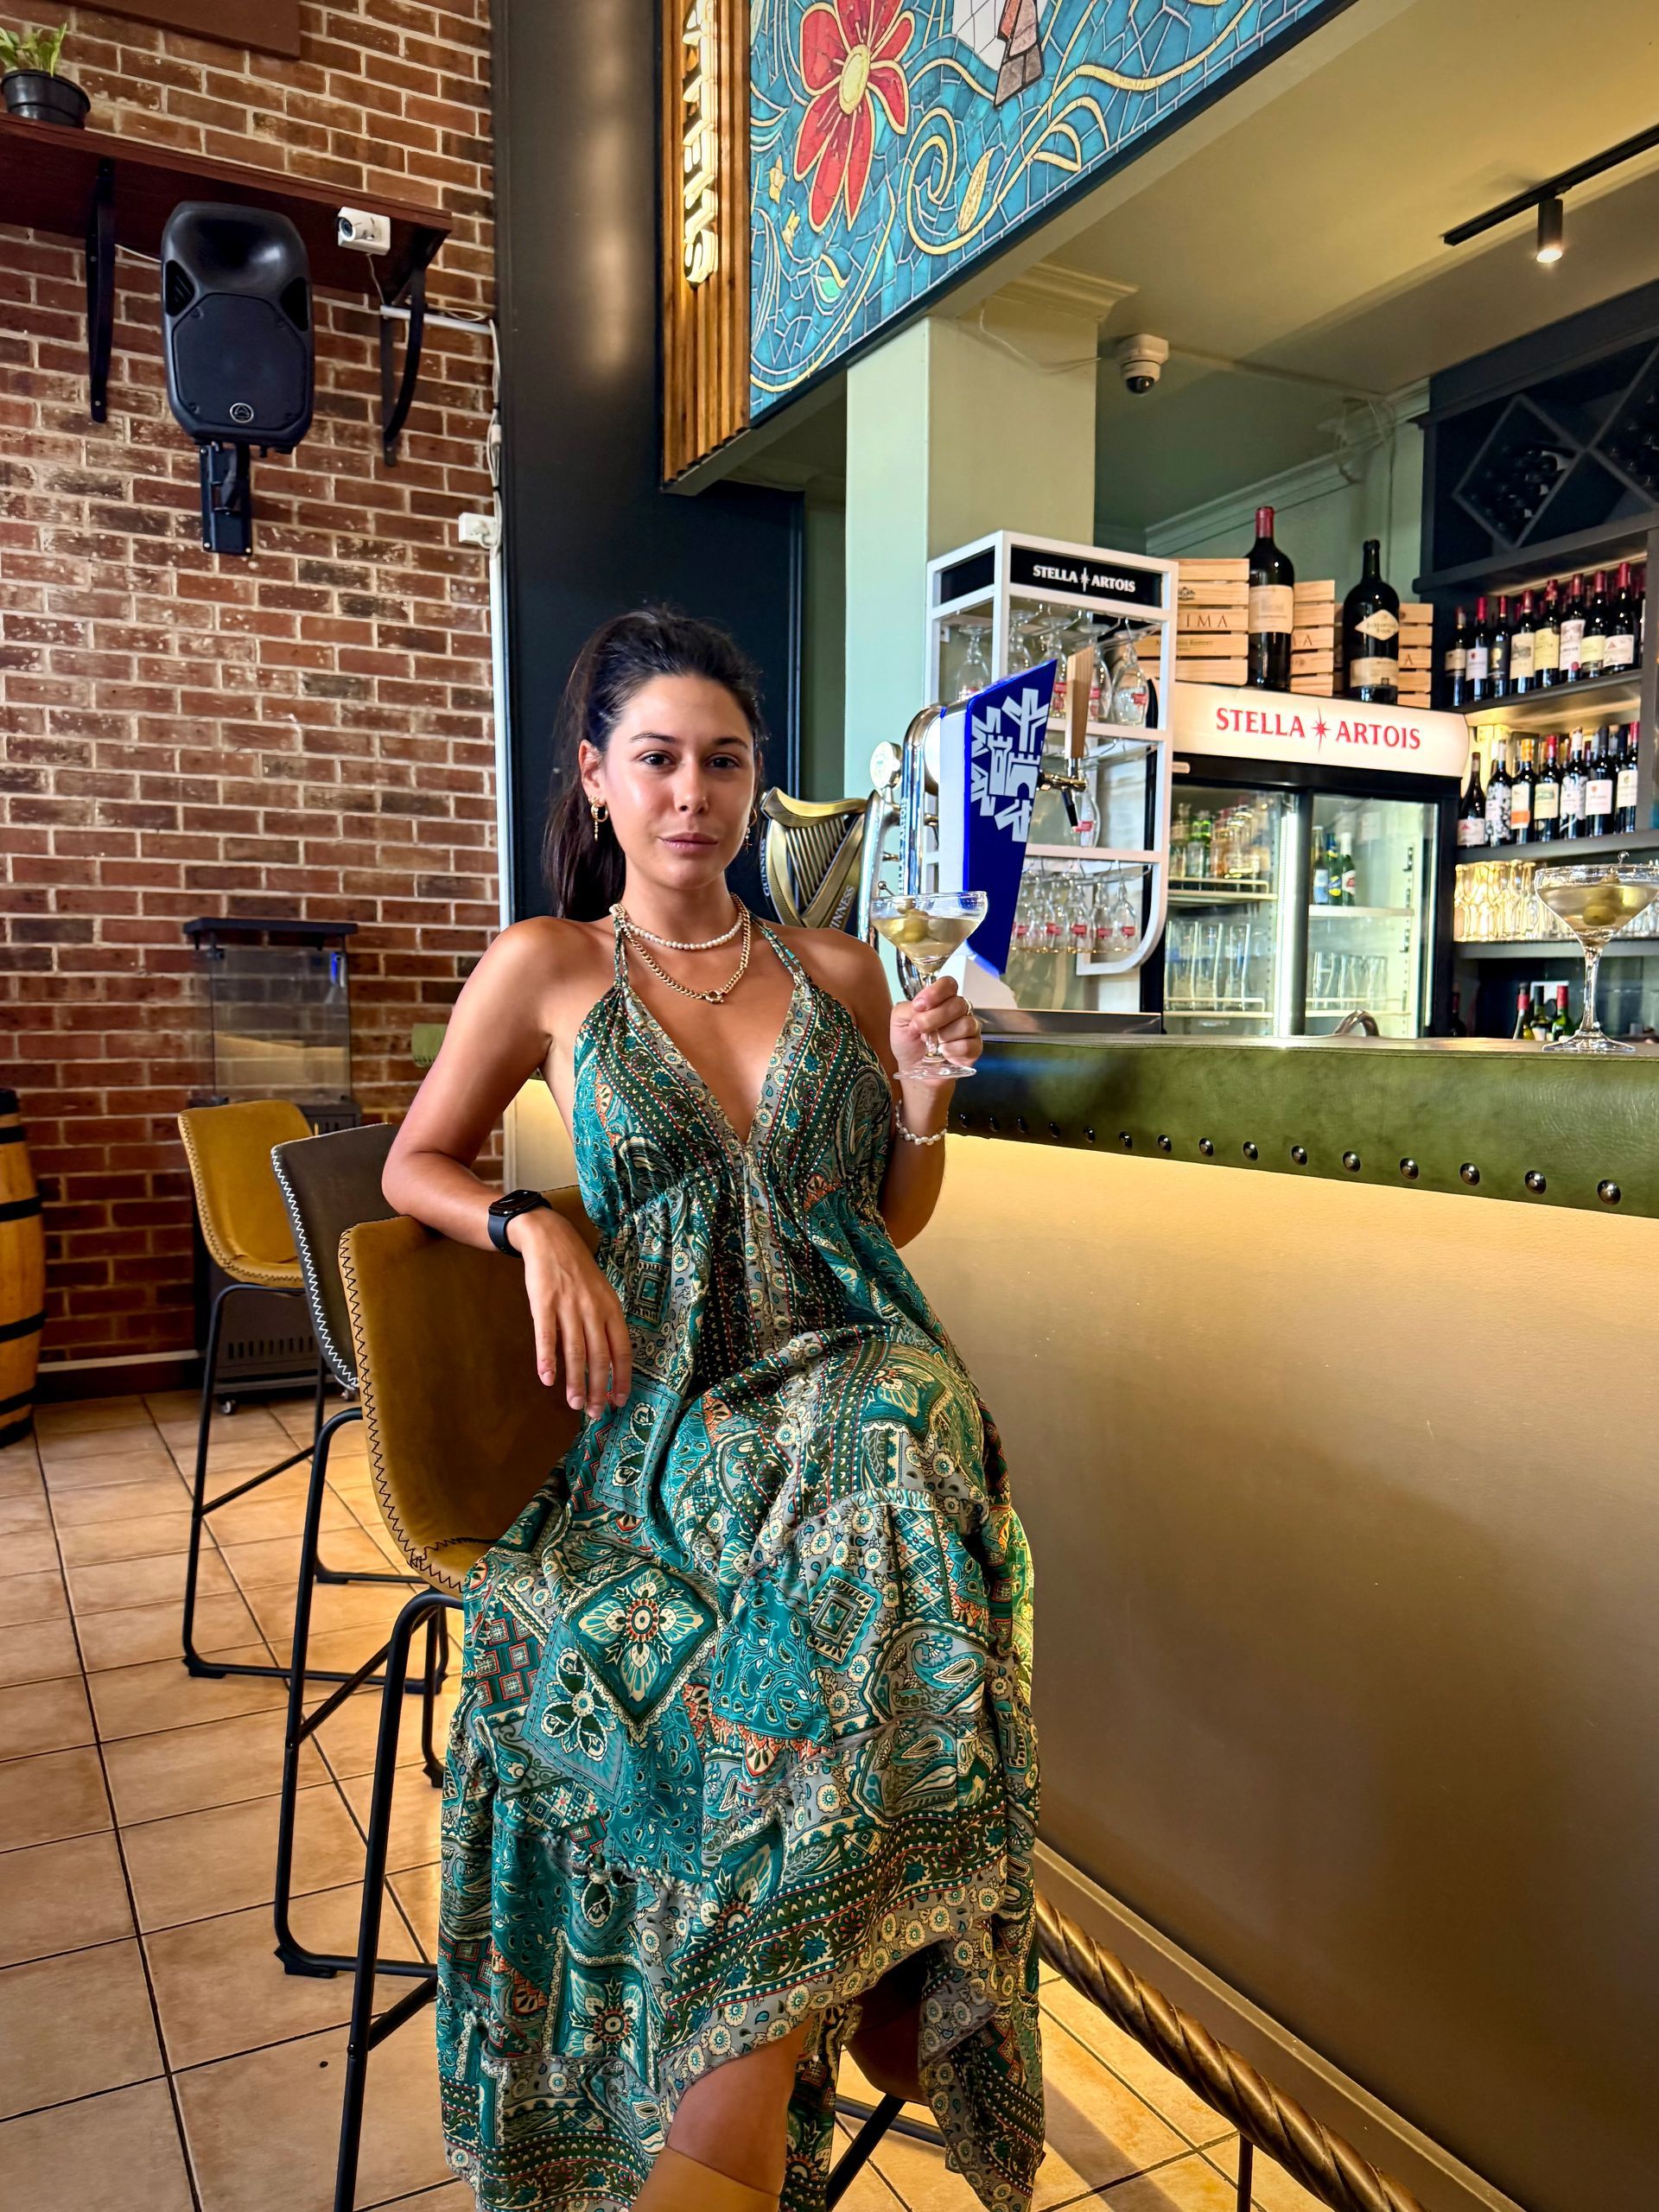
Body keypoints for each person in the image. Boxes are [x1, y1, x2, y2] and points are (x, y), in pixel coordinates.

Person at [382, 609, 1042, 2211]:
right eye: (659, 759)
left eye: (726, 762)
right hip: (674, 1420)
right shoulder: (547, 967)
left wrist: (926, 1094)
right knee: (882, 1492)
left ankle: (740, 2102)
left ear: (757, 783)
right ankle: (880, 1970)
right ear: (597, 776)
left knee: (893, 1441)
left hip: (854, 1357)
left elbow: (883, 1220)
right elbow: (415, 1163)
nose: (694, 794)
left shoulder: (840, 968)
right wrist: (533, 1225)